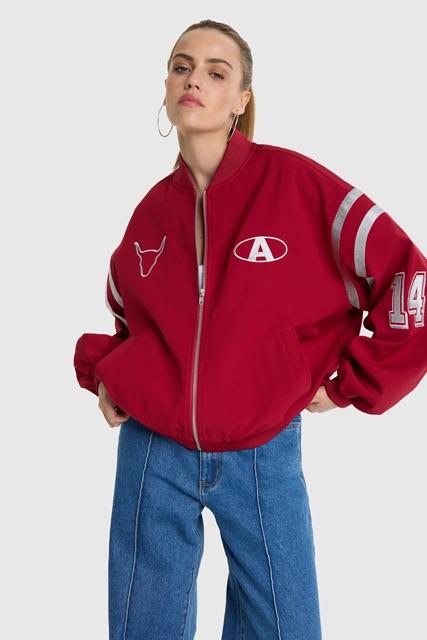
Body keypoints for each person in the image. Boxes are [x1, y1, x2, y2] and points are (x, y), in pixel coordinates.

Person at [73, 19, 427, 640]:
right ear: (166, 88)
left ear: (241, 99)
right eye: (182, 67)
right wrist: (109, 377)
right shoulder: (151, 212)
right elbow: (126, 315)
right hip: (153, 452)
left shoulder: (296, 185)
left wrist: (354, 383)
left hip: (262, 451)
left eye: (216, 72)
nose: (194, 81)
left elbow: (406, 276)